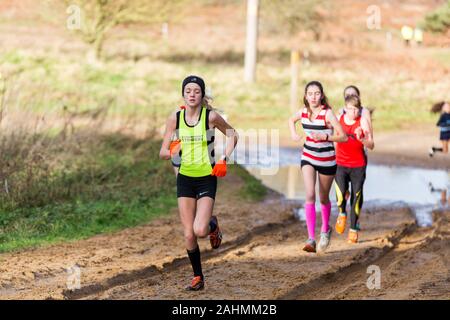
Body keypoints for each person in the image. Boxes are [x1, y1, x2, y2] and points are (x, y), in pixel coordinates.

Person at [160, 75, 239, 290]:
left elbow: (234, 135)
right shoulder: (175, 119)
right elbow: (162, 152)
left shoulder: (211, 117)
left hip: (207, 178)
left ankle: (212, 224)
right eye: (188, 91)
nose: (192, 95)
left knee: (200, 230)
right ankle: (198, 277)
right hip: (185, 179)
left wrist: (224, 159)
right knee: (188, 234)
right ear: (183, 94)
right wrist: (173, 149)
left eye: (196, 91)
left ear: (202, 94)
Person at [289, 81, 347, 253]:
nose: (313, 97)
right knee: (309, 194)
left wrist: (325, 137)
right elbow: (291, 120)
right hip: (308, 156)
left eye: (316, 93)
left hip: (327, 160)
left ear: (321, 95)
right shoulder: (303, 112)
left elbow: (343, 136)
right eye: (310, 93)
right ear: (305, 96)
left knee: (323, 198)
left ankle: (325, 230)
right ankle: (310, 239)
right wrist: (293, 133)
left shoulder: (327, 114)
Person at [334, 95, 374, 244]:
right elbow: (332, 136)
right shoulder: (339, 119)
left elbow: (371, 145)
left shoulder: (362, 121)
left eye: (356, 109)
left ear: (359, 109)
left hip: (358, 165)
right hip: (341, 164)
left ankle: (353, 229)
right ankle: (342, 213)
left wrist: (361, 138)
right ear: (345, 108)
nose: (353, 112)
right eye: (350, 109)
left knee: (356, 197)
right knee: (339, 195)